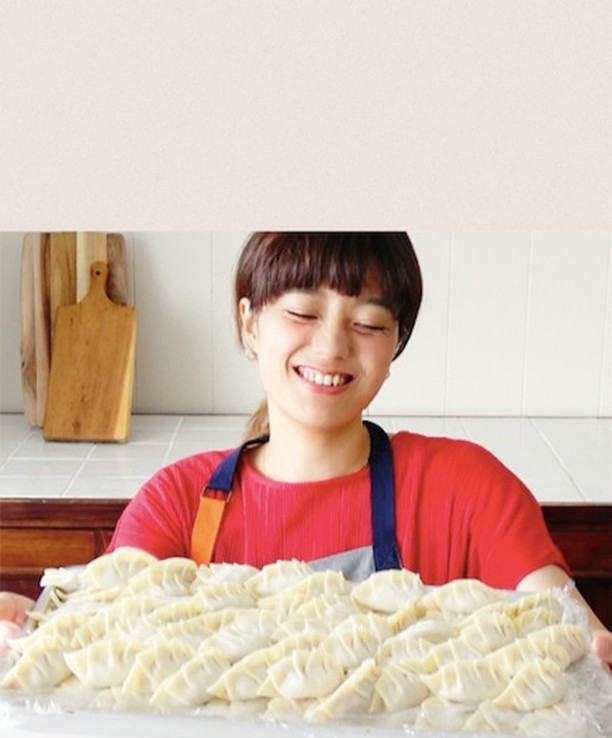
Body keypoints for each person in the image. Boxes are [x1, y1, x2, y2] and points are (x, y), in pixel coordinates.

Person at [1, 232, 611, 665]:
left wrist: (592, 645)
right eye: (302, 312)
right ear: (249, 323)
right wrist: (25, 627)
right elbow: (95, 633)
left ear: (394, 346)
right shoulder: (179, 503)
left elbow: (562, 625)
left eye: (368, 324)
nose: (332, 346)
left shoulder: (463, 487)